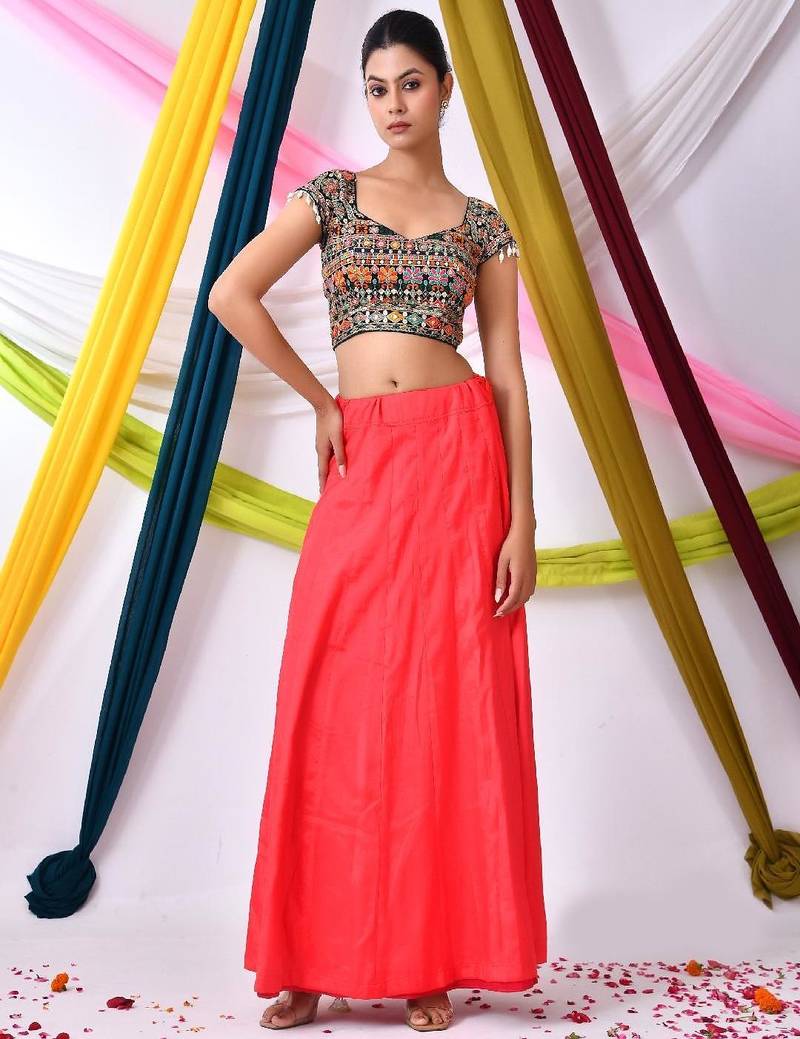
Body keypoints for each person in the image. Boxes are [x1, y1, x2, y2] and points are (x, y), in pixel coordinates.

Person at [208, 8, 546, 1032]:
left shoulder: (483, 224)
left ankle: (426, 957)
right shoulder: (331, 196)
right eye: (376, 87)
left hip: (459, 465)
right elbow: (231, 293)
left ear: (444, 88)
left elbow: (508, 377)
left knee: (440, 705)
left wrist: (522, 521)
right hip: (365, 458)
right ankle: (308, 957)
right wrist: (322, 403)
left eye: (409, 83)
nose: (392, 104)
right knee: (333, 696)